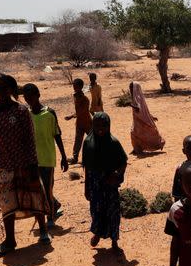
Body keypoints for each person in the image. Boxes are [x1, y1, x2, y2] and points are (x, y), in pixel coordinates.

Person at [0, 73, 52, 256]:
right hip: (5, 165)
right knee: (6, 202)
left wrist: (33, 164)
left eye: (1, 89)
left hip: (25, 163)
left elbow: (29, 140)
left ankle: (43, 230)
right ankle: (10, 240)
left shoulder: (21, 111)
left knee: (34, 196)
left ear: (9, 89)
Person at [21, 84, 68, 228]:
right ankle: (54, 204)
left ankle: (51, 216)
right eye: (26, 97)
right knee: (36, 189)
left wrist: (64, 156)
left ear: (38, 95)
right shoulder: (26, 114)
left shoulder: (49, 113)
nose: (29, 100)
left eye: (31, 96)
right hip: (32, 159)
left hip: (47, 158)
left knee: (47, 188)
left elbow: (57, 134)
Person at [82, 112, 128, 252]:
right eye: (96, 125)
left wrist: (117, 174)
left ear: (109, 126)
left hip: (110, 183)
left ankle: (114, 241)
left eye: (104, 125)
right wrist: (86, 187)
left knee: (113, 212)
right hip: (95, 184)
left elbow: (123, 162)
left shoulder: (113, 143)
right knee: (96, 211)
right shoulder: (88, 143)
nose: (100, 128)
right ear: (92, 126)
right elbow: (87, 169)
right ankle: (97, 233)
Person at [128, 81, 165, 154]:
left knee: (136, 134)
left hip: (141, 121)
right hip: (138, 121)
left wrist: (130, 104)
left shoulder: (137, 97)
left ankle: (157, 144)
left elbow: (138, 109)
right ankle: (136, 149)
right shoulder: (138, 97)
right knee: (135, 134)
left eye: (131, 88)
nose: (130, 89)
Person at [64, 78, 92, 165]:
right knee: (78, 140)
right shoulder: (75, 96)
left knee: (93, 138)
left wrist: (71, 116)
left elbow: (82, 111)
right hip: (79, 123)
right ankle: (75, 157)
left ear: (81, 87)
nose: (74, 88)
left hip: (87, 122)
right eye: (73, 86)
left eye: (76, 86)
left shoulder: (85, 99)